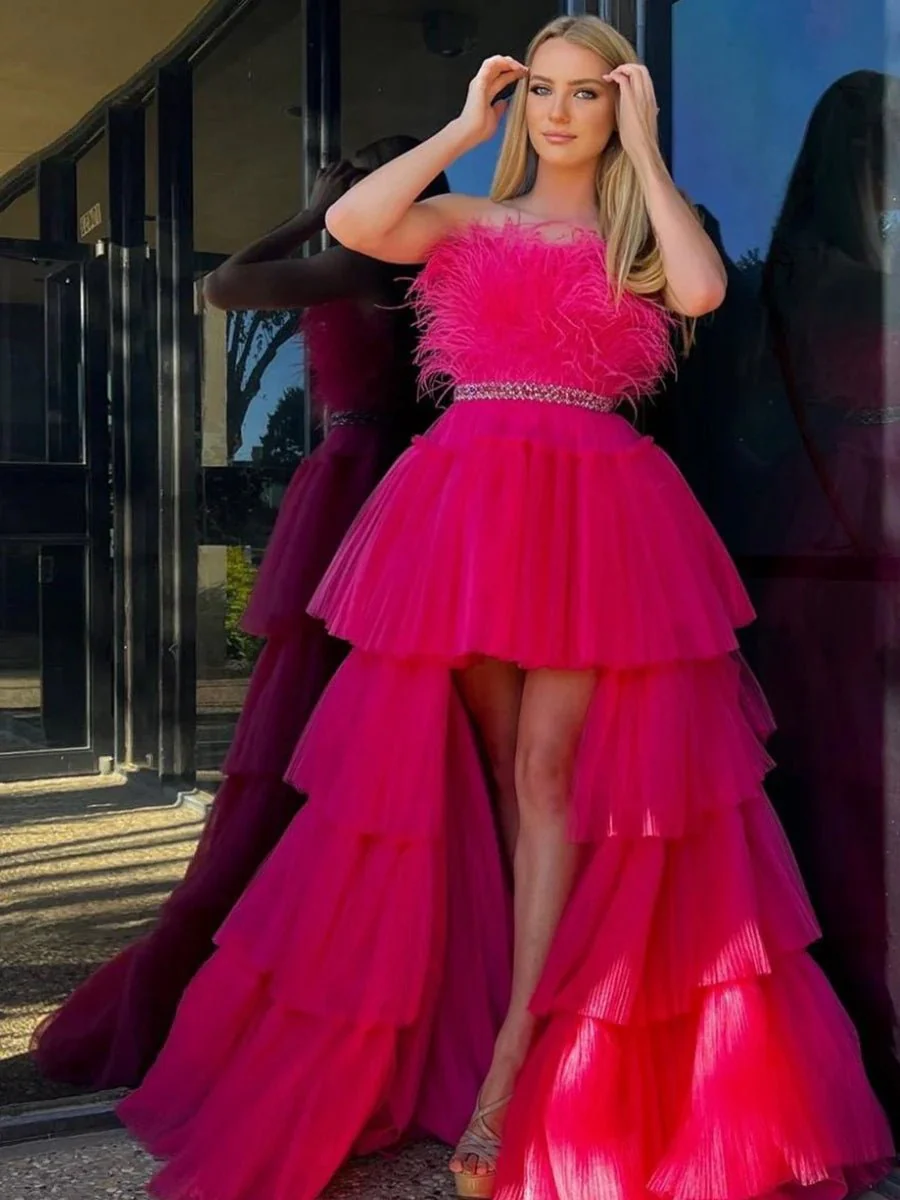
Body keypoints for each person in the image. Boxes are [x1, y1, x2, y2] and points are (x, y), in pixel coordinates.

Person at [117, 16, 893, 1200]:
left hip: (592, 517)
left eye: (587, 94)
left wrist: (644, 135)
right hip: (468, 508)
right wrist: (463, 126)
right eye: (546, 91)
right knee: (493, 774)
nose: (562, 111)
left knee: (545, 774)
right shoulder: (476, 217)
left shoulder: (640, 237)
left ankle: (514, 1071)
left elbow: (698, 286)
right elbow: (357, 225)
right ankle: (503, 1019)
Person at [30, 135, 449, 1091]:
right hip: (378, 482)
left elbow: (224, 287)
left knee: (334, 713)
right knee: (336, 710)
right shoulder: (398, 263)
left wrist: (311, 211)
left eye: (366, 170)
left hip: (372, 482)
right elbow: (225, 289)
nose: (351, 181)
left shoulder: (362, 261)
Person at [750, 70, 900, 1135]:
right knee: (849, 798)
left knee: (857, 794)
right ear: (863, 154)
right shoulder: (834, 273)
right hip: (847, 538)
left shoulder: (828, 263)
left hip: (844, 530)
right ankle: (865, 1043)